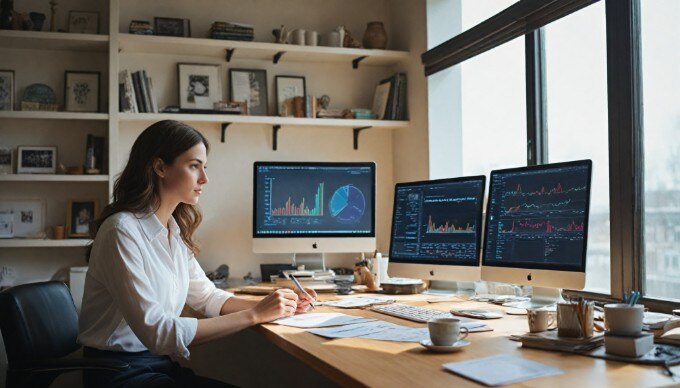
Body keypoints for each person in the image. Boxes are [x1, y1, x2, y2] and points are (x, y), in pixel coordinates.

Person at [78, 120, 316, 387]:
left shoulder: (173, 229)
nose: (204, 178)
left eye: (204, 167)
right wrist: (255, 315)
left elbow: (207, 296)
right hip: (118, 374)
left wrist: (277, 306)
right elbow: (159, 333)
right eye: (194, 166)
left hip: (157, 365)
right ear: (160, 167)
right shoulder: (121, 232)